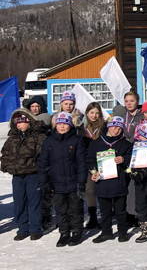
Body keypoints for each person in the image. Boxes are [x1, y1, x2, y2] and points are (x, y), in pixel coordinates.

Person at [38, 111, 87, 247]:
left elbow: (82, 163)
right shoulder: (49, 141)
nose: (62, 126)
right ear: (55, 125)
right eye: (59, 124)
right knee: (60, 209)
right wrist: (43, 182)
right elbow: (43, 163)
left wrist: (82, 182)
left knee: (75, 208)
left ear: (70, 125)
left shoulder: (76, 140)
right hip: (56, 182)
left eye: (65, 124)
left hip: (73, 180)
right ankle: (64, 232)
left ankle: (76, 231)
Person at [1, 109, 47, 241]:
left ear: (29, 121)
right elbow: (5, 154)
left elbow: (43, 155)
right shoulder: (12, 138)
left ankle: (35, 228)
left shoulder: (39, 136)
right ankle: (22, 228)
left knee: (34, 202)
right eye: (16, 122)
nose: (18, 124)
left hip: (33, 175)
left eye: (21, 122)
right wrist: (6, 166)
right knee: (19, 202)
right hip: (17, 176)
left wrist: (37, 167)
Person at [87, 116, 133, 243]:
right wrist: (93, 171)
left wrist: (124, 159)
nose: (116, 130)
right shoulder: (96, 143)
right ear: (108, 126)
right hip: (102, 182)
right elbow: (89, 160)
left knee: (120, 210)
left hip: (119, 182)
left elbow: (132, 158)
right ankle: (106, 232)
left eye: (119, 128)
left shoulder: (126, 144)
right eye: (114, 127)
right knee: (105, 210)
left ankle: (123, 231)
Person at [78, 102, 104, 230]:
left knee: (105, 189)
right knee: (90, 190)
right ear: (87, 113)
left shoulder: (104, 127)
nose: (94, 116)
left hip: (103, 161)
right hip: (89, 163)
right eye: (91, 113)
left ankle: (106, 217)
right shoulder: (82, 129)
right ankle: (93, 217)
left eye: (96, 113)